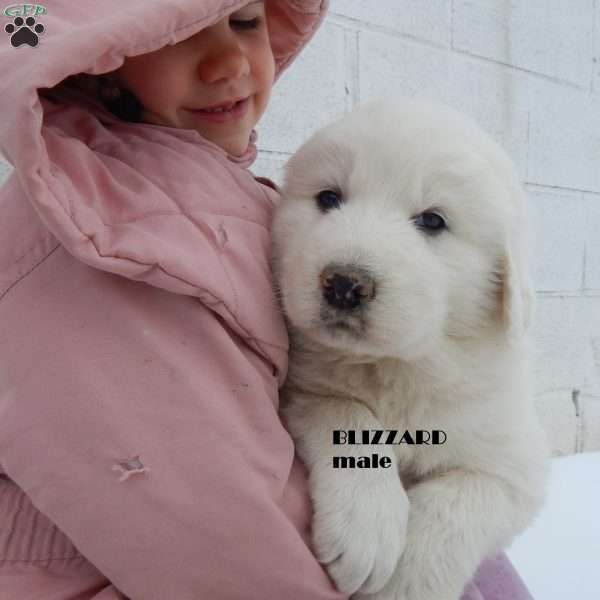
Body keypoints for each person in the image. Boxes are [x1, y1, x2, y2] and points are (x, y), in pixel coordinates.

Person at [0, 1, 534, 598]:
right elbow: (212, 526)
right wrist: (363, 458)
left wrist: (411, 502)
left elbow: (500, 477)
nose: (228, 61)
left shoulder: (236, 197)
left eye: (247, 21)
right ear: (102, 58)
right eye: (178, 32)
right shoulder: (90, 241)